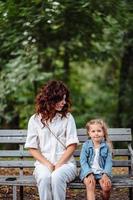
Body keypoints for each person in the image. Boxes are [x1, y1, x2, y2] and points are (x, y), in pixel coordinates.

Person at [25, 80, 79, 200]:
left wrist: (59, 164)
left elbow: (72, 145)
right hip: (44, 164)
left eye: (65, 99)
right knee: (44, 178)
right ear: (50, 99)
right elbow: (32, 147)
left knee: (57, 176)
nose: (64, 103)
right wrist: (48, 164)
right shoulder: (35, 120)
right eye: (60, 99)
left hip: (66, 164)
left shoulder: (68, 118)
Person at [80, 119, 112, 200]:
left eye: (99, 131)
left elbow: (109, 162)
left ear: (103, 132)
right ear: (89, 133)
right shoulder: (85, 145)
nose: (96, 133)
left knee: (106, 187)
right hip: (87, 172)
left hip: (101, 173)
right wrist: (88, 173)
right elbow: (83, 161)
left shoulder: (107, 146)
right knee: (90, 184)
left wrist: (105, 174)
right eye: (93, 131)